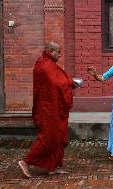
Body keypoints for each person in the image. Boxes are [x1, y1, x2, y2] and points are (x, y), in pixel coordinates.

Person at [18, 42, 80, 177]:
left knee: (58, 136)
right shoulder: (45, 66)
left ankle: (53, 167)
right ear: (51, 51)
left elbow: (57, 81)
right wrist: (70, 83)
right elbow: (56, 83)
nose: (59, 55)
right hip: (48, 108)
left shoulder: (47, 64)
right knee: (49, 137)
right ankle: (26, 161)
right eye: (58, 52)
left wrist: (68, 82)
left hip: (53, 106)